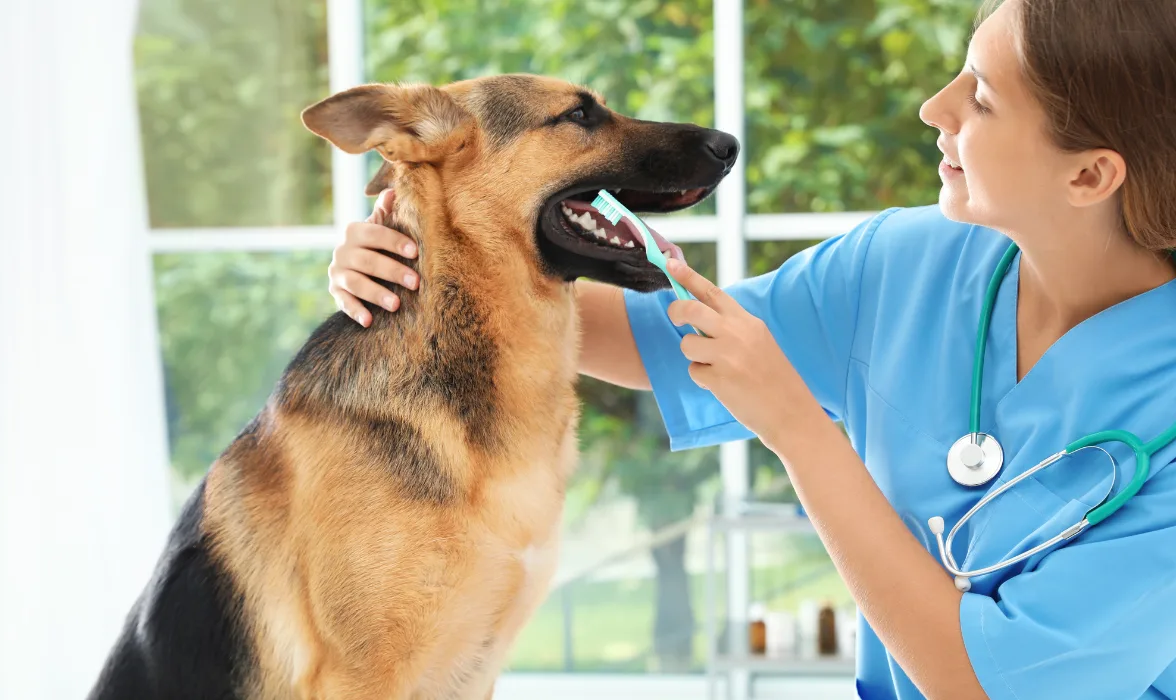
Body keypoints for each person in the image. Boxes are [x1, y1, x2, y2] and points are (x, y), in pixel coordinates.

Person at [325, 1, 1176, 697]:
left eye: (982, 97)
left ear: (1090, 176)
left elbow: (981, 684)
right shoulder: (910, 264)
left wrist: (799, 431)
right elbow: (656, 341)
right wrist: (427, 261)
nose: (935, 107)